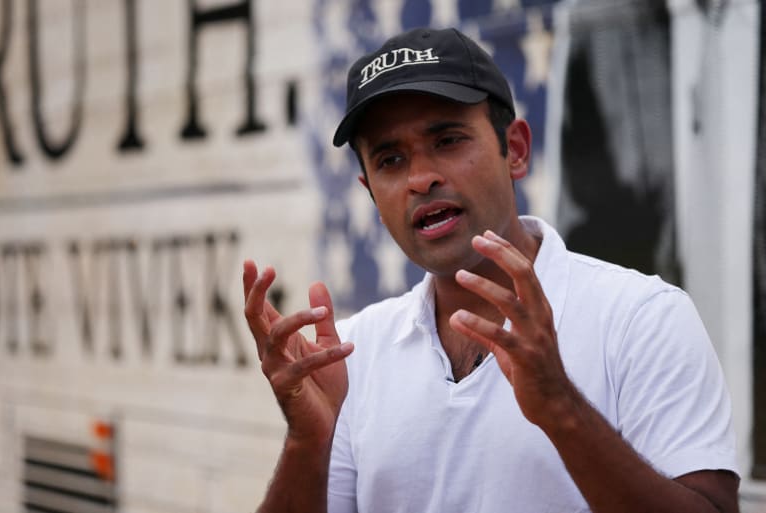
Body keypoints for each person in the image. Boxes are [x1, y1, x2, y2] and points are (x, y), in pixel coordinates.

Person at [243, 27, 739, 512]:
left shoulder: (641, 318)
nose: (421, 178)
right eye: (390, 159)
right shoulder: (352, 353)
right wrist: (309, 440)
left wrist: (561, 408)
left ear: (516, 150)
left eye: (449, 140)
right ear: (371, 193)